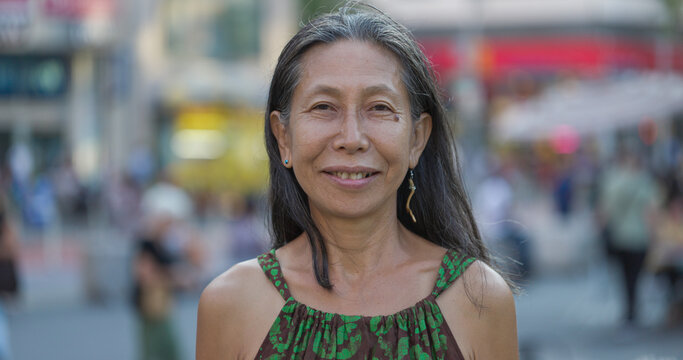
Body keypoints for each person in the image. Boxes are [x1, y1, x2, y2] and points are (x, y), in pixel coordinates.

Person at [197, 5, 518, 359]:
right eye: (323, 107)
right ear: (283, 137)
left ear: (417, 139)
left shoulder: (479, 298)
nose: (352, 138)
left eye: (379, 107)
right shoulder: (231, 303)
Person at [598, 142, 660, 324]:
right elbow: (651, 211)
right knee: (636, 275)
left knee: (624, 276)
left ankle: (629, 310)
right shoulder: (644, 180)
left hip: (619, 236)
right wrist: (655, 235)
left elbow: (603, 212)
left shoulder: (611, 180)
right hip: (639, 236)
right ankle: (633, 310)